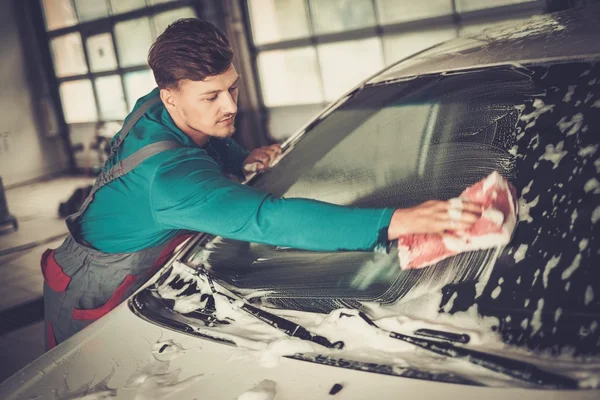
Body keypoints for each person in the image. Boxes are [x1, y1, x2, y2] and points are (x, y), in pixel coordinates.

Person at [41, 19, 481, 349]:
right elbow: (270, 220)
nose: (230, 106)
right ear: (170, 96)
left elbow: (202, 146)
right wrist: (395, 220)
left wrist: (239, 155)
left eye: (232, 88)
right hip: (92, 287)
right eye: (211, 97)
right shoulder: (171, 180)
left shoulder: (155, 106)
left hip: (119, 246)